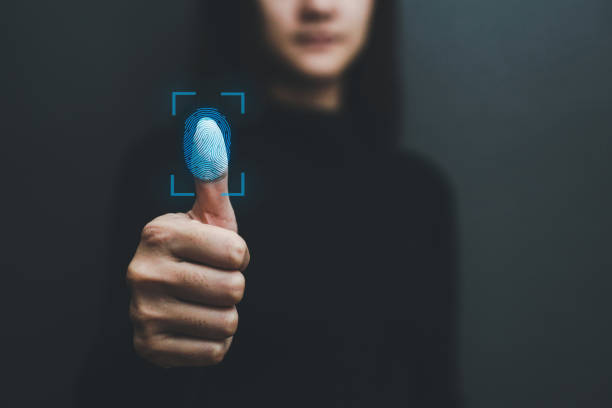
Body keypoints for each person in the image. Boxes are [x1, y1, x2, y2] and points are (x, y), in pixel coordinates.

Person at [77, 1, 462, 406]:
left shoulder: (419, 193)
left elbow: (438, 390)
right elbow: (102, 392)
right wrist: (150, 352)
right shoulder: (171, 172)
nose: (319, 6)